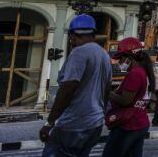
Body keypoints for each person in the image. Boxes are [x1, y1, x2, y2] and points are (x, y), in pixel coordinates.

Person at [40, 14, 112, 157]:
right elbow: (107, 89)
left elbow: (68, 89)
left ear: (73, 35)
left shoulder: (79, 52)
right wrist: (101, 114)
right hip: (95, 124)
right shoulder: (104, 54)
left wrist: (49, 123)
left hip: (74, 124)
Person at [102, 37, 152, 157]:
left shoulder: (135, 73)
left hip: (128, 125)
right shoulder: (142, 72)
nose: (120, 62)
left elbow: (126, 100)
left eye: (121, 59)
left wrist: (107, 93)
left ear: (129, 57)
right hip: (139, 122)